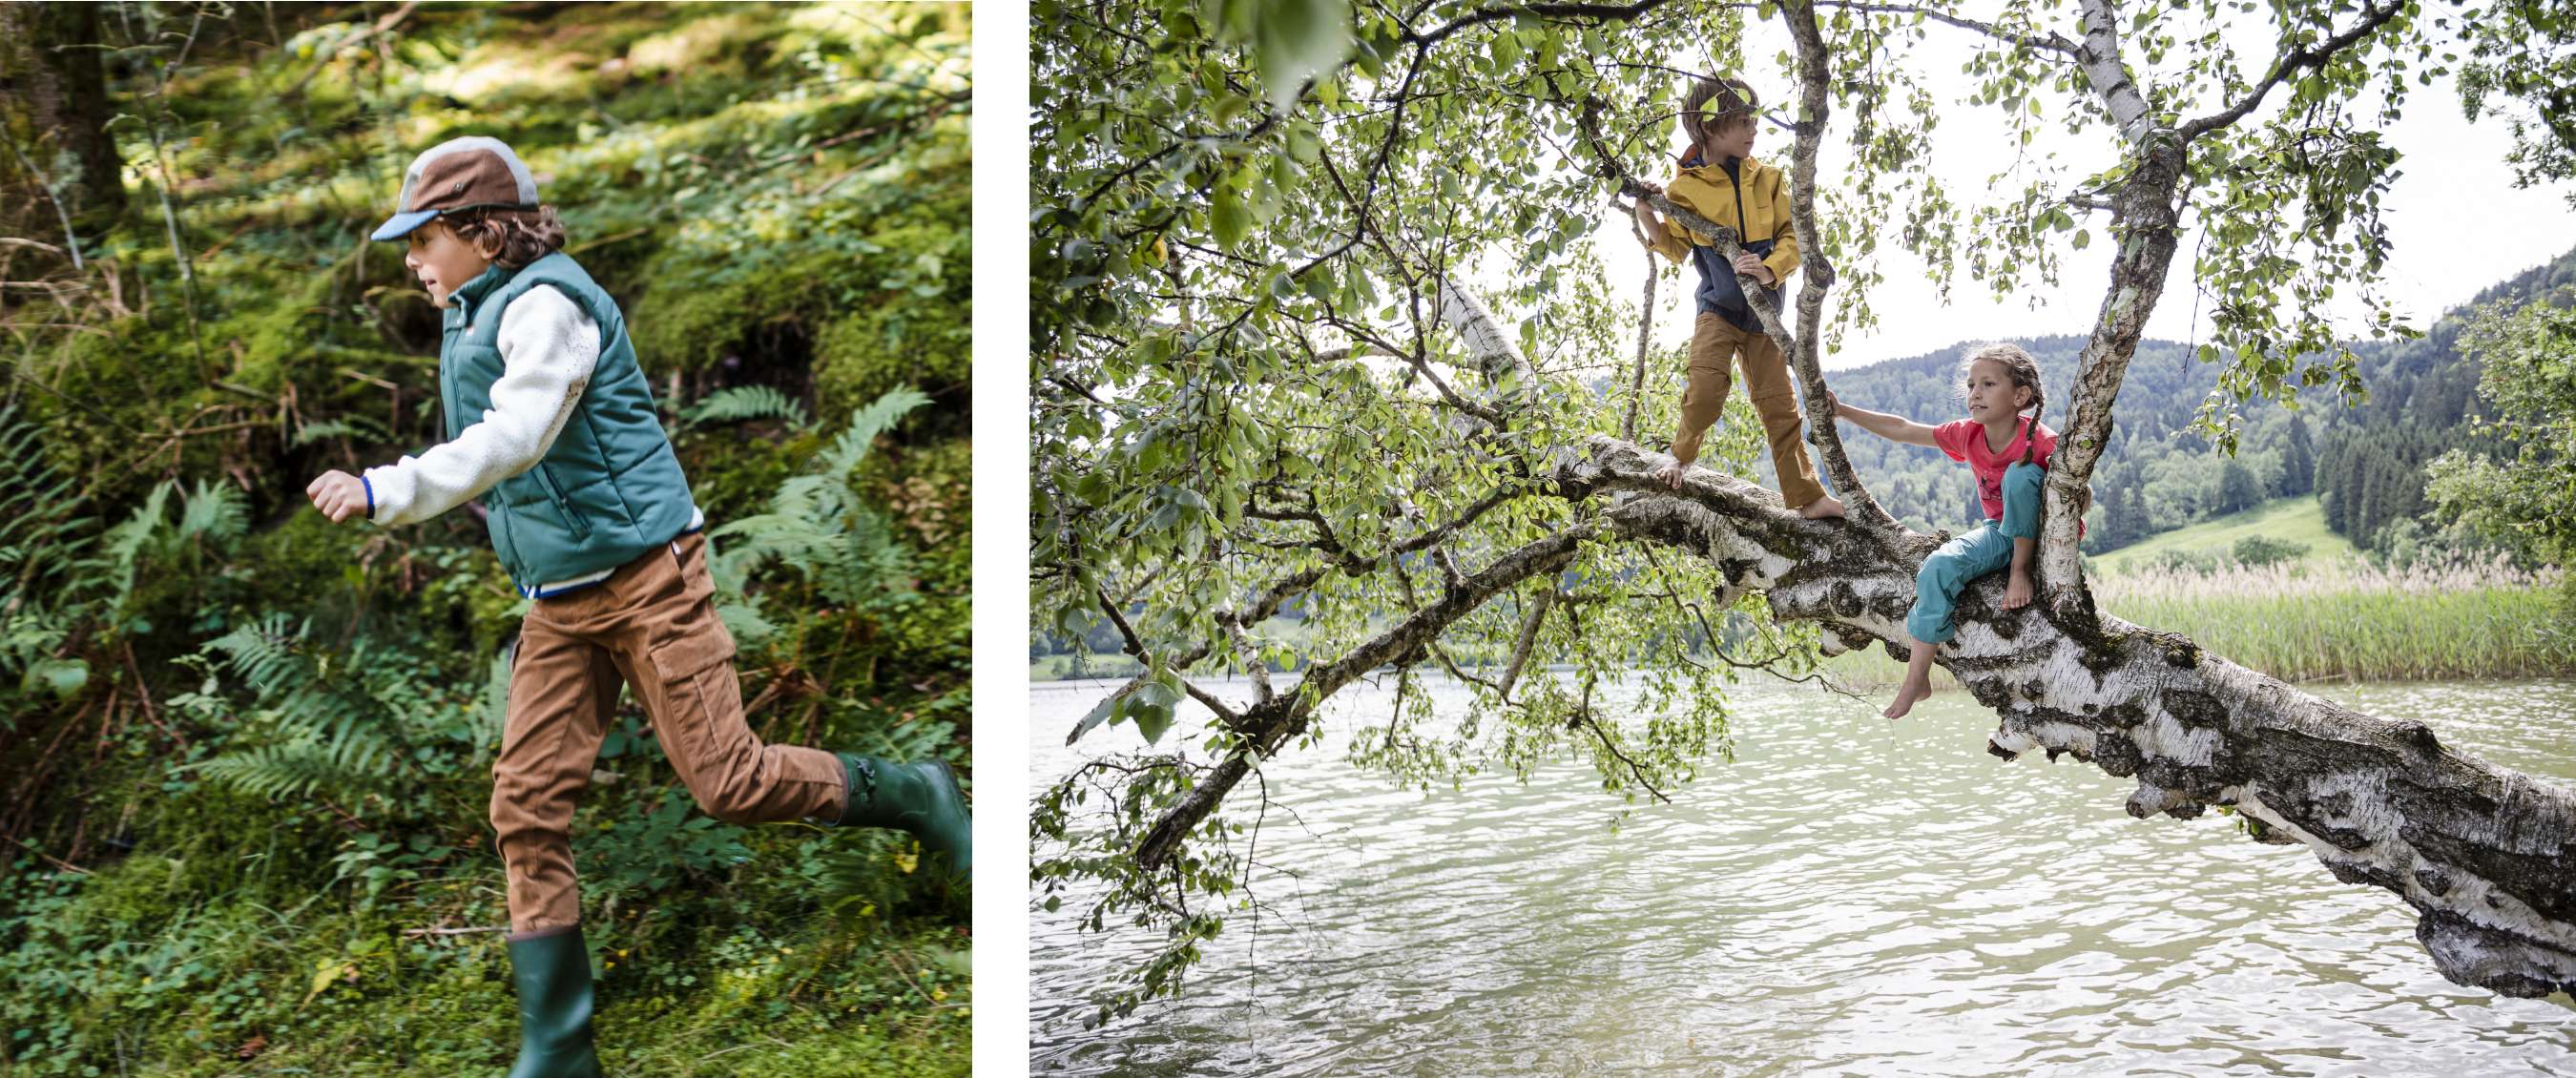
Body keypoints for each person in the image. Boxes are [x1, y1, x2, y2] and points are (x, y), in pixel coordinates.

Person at [300, 135, 969, 1078]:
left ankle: (916, 790)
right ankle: (562, 1050)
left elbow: (518, 437)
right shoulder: (473, 306)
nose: (411, 259)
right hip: (557, 602)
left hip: (652, 579)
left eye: (425, 238)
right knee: (524, 804)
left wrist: (386, 488)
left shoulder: (548, 306)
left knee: (729, 782)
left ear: (484, 233)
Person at [1632, 74, 1844, 520]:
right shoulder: (1684, 190)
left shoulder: (1768, 178)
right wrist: (1645, 212)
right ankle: (1681, 456)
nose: (1753, 130)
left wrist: (1768, 267)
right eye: (1742, 121)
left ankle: (1808, 498)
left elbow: (1794, 238)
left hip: (1765, 316)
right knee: (1707, 388)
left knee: (1780, 406)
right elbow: (1673, 248)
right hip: (1718, 309)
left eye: (1754, 120)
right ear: (1710, 127)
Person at [1830, 342, 2075, 719]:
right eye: (1971, 384)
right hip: (2001, 533)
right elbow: (1903, 429)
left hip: (2046, 537)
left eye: (1988, 384)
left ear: (2020, 395)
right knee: (1937, 567)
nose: (1975, 393)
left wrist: (2035, 546)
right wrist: (1843, 411)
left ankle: (2020, 571)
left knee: (2022, 474)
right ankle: (1917, 678)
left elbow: (2080, 494)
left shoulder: (2042, 441)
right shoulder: (1968, 435)